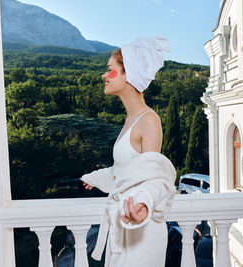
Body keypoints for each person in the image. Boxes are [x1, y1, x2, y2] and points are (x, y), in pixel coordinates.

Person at [80, 36, 176, 267]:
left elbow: (154, 179)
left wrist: (143, 204)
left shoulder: (149, 121)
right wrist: (94, 178)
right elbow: (128, 170)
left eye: (110, 70)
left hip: (141, 230)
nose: (104, 75)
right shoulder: (131, 120)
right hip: (124, 226)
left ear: (128, 74)